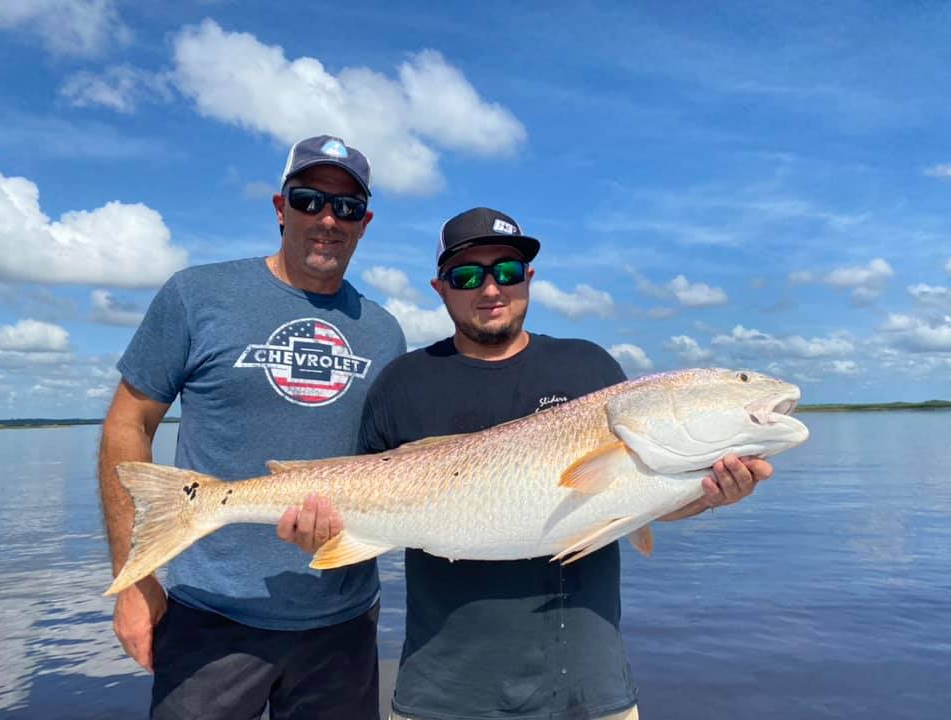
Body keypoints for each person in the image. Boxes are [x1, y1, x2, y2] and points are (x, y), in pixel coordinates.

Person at [283, 206, 774, 720]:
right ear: (440, 287)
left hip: (589, 692)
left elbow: (637, 504)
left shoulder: (590, 368)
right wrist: (321, 531)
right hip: (441, 692)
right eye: (468, 275)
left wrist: (706, 495)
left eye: (508, 272)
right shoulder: (402, 382)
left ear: (530, 279)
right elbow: (362, 507)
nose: (491, 289)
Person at [98, 134, 406, 720]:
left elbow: (390, 463)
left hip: (342, 622)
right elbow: (126, 424)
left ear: (364, 223)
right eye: (309, 199)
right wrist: (134, 584)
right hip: (211, 617)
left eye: (345, 208)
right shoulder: (197, 295)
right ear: (279, 206)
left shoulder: (385, 331)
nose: (327, 219)